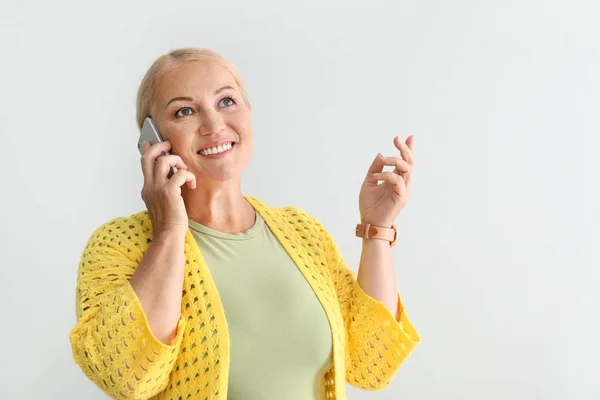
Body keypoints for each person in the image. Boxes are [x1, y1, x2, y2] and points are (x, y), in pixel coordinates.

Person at [69, 47, 420, 400]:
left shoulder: (302, 232)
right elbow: (126, 377)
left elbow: (373, 365)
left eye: (226, 102)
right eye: (185, 111)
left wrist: (376, 231)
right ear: (153, 141)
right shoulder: (119, 245)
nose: (214, 125)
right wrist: (169, 232)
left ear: (248, 112)